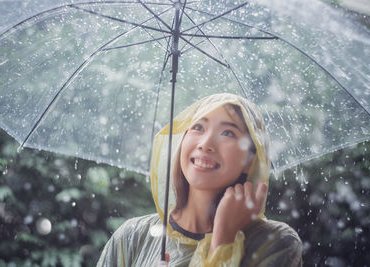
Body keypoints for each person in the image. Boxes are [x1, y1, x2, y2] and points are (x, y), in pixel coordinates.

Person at [97, 93, 302, 266]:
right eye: (197, 127)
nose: (205, 144)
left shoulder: (275, 242)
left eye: (227, 132)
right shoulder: (133, 236)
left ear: (251, 158)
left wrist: (223, 239)